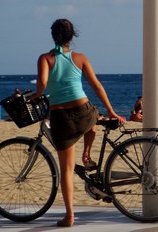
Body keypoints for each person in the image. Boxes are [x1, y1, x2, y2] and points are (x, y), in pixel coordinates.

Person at [33, 18, 123, 227]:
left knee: (66, 170)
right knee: (94, 117)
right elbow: (96, 85)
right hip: (83, 110)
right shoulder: (80, 57)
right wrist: (110, 110)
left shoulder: (45, 58)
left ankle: (69, 216)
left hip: (61, 117)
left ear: (53, 36)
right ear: (72, 37)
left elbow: (43, 84)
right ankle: (87, 152)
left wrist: (36, 95)